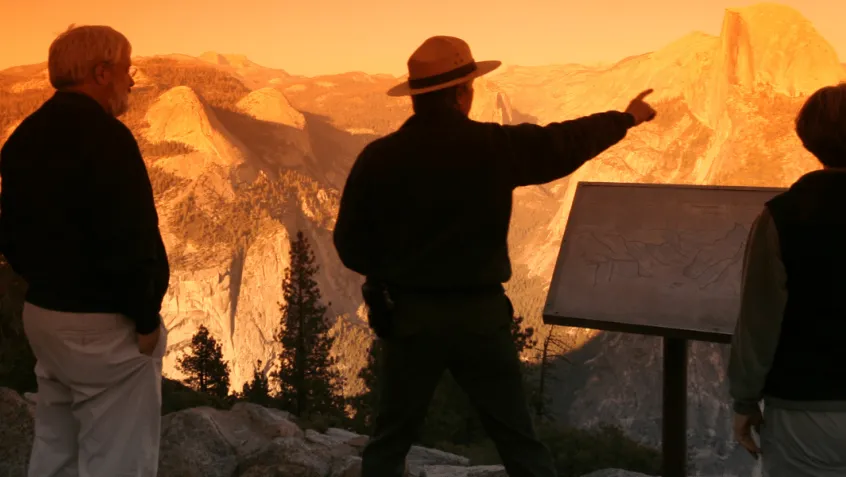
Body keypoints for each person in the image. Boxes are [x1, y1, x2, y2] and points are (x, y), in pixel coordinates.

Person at [333, 35, 657, 477]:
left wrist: (393, 272)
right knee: (517, 439)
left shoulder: (378, 158)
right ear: (463, 93)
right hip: (479, 318)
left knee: (390, 439)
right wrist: (627, 118)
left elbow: (350, 246)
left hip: (408, 317)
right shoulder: (492, 147)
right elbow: (564, 142)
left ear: (416, 99)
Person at [0, 24, 170, 477]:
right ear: (101, 72)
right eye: (126, 70)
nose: (132, 80)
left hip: (45, 316)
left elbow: (10, 234)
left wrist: (45, 283)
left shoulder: (25, 137)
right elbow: (129, 238)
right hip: (104, 327)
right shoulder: (107, 139)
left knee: (57, 450)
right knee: (119, 460)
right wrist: (147, 320)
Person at [728, 83, 846, 477]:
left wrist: (744, 402)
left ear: (809, 139)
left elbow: (757, 321)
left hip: (806, 413)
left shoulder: (782, 217)